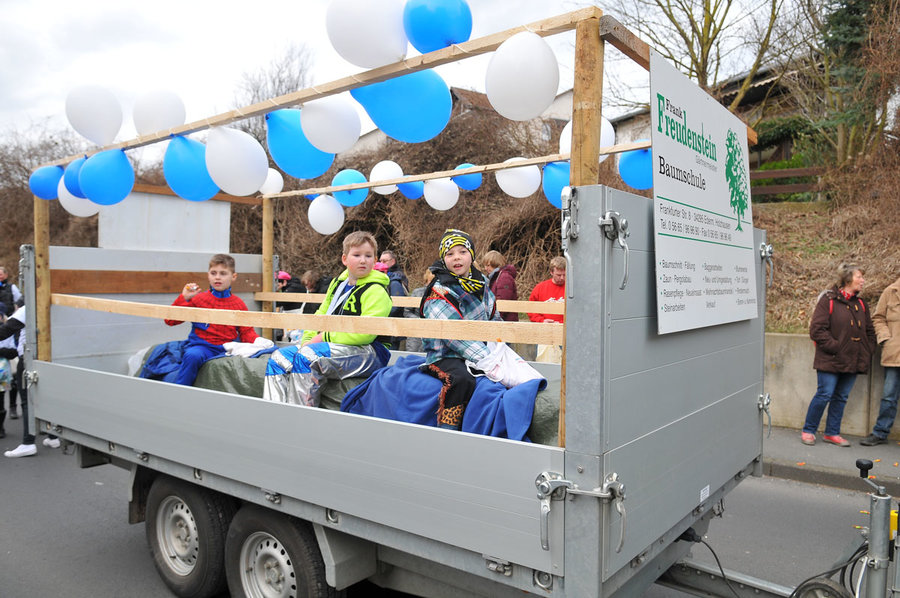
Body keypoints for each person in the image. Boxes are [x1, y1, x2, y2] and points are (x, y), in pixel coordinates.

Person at [264, 231, 393, 406]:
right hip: (334, 344)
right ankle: (275, 412)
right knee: (278, 357)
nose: (363, 260)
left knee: (307, 357)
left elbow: (365, 334)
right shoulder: (338, 284)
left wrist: (322, 337)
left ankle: (301, 416)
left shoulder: (376, 290)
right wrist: (308, 339)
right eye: (357, 255)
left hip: (371, 352)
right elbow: (321, 315)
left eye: (368, 256)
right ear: (344, 259)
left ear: (375, 260)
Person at [419, 229, 502, 430]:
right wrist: (489, 362)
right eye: (450, 254)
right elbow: (454, 336)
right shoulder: (439, 291)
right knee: (461, 380)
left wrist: (500, 349)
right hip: (446, 354)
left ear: (471, 255)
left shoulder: (480, 283)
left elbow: (493, 315)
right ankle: (448, 427)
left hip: (480, 349)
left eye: (462, 252)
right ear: (443, 259)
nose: (457, 257)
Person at [164, 254, 269, 386]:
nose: (217, 277)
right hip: (202, 347)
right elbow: (170, 320)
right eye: (213, 273)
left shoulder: (239, 304)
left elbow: (246, 332)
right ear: (208, 275)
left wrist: (260, 342)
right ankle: (181, 389)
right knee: (192, 356)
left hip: (228, 349)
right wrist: (184, 298)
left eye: (223, 273)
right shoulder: (198, 299)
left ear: (233, 276)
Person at [801, 263, 876, 447]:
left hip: (853, 359)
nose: (863, 280)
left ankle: (832, 433)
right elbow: (817, 330)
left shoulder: (861, 304)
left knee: (841, 397)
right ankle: (809, 430)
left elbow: (869, 331)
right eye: (859, 277)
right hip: (831, 358)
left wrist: (867, 350)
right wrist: (836, 347)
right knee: (824, 394)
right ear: (848, 279)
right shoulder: (828, 300)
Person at [2, 306, 58, 457]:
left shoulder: (30, 306)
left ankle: (28, 443)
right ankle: (53, 437)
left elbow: (6, 330)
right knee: (47, 398)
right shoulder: (55, 304)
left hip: (29, 359)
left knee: (28, 400)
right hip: (51, 357)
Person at [861, 275, 900, 445]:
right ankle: (880, 432)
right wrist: (885, 338)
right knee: (889, 396)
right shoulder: (890, 292)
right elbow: (878, 318)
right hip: (894, 354)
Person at [528, 256, 566, 363]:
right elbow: (531, 309)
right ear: (551, 272)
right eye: (559, 275)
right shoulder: (540, 288)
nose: (562, 278)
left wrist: (564, 323)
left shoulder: (571, 289)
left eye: (564, 275)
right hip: (545, 333)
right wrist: (542, 321)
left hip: (566, 332)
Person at [379, 249, 409, 350]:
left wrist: (381, 315)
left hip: (394, 326)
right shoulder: (386, 277)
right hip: (387, 325)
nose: (381, 263)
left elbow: (397, 306)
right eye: (380, 261)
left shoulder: (395, 280)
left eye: (384, 261)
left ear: (393, 261)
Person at [403, 268, 435, 353]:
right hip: (415, 331)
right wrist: (419, 320)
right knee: (412, 354)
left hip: (433, 332)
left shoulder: (441, 294)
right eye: (431, 281)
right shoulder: (417, 292)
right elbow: (407, 311)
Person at [482, 250, 518, 321]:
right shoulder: (496, 277)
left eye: (488, 265)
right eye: (485, 266)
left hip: (505, 321)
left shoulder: (504, 277)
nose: (486, 268)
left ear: (495, 263)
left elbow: (503, 302)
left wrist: (494, 319)